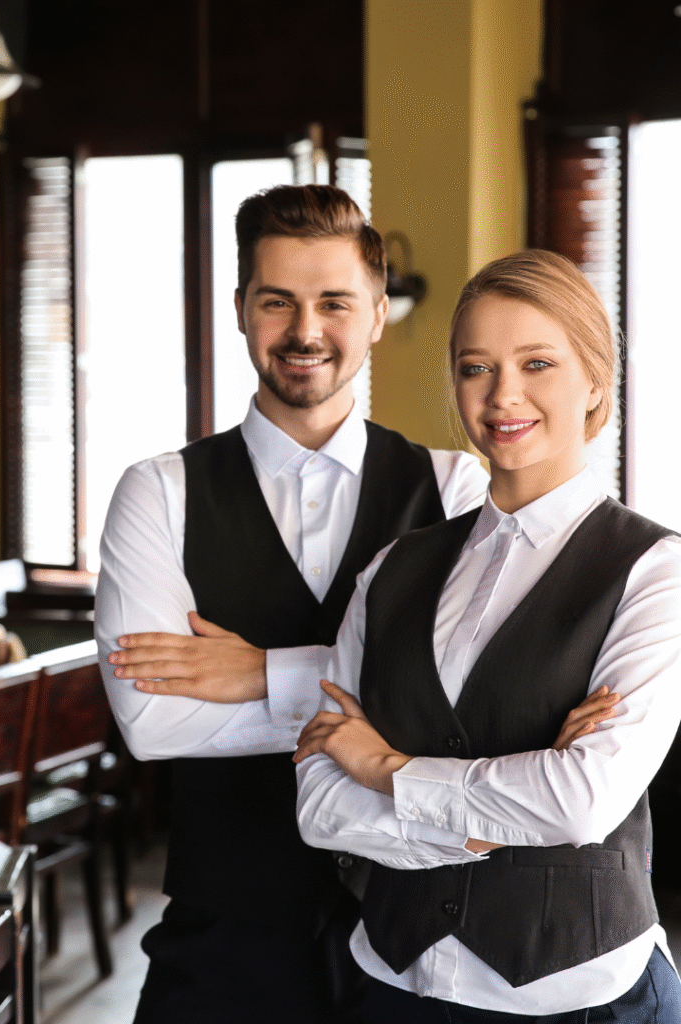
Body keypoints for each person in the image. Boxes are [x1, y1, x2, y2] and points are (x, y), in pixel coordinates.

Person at [95, 184, 490, 1024]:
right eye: (278, 301)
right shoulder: (157, 492)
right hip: (222, 941)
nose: (305, 332)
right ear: (241, 309)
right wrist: (375, 701)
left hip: (415, 940)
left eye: (335, 303)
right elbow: (150, 721)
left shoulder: (454, 488)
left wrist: (258, 674)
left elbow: (472, 706)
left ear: (379, 314)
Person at [294, 249, 681, 1022]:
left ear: (596, 381)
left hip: (579, 995)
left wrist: (390, 766)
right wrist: (486, 822)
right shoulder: (392, 570)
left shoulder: (656, 572)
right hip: (392, 985)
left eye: (538, 362)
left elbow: (580, 802)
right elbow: (318, 802)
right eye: (476, 367)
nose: (504, 393)